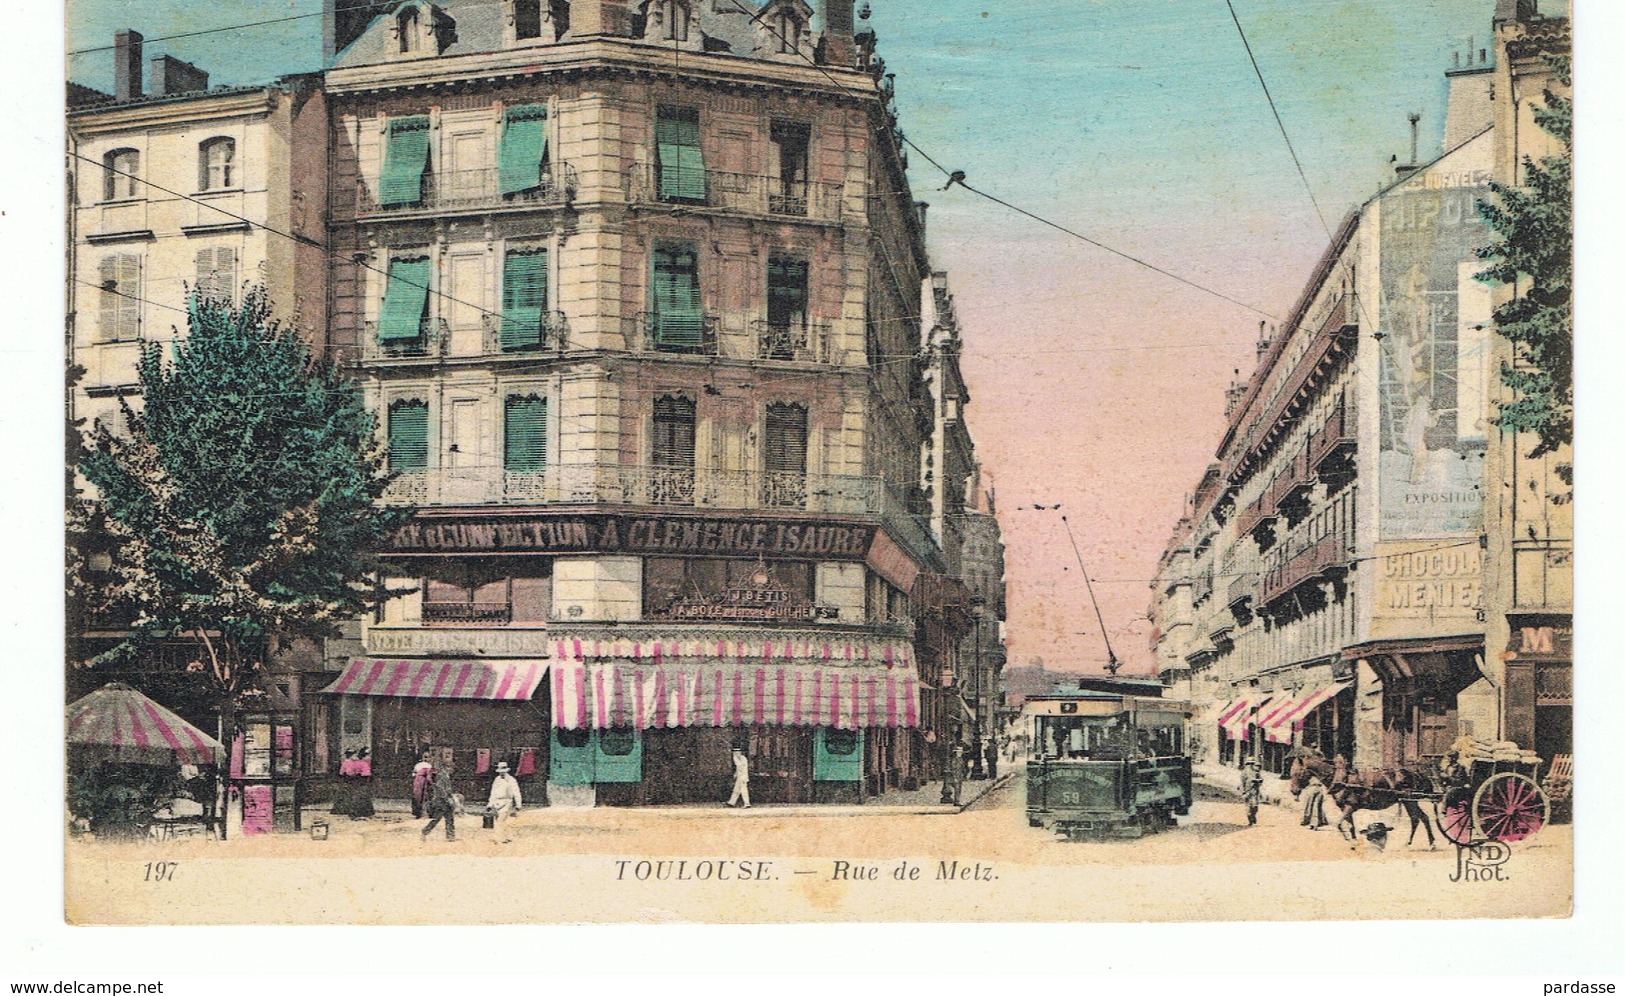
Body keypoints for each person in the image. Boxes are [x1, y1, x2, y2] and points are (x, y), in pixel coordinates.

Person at [486, 760, 523, 843]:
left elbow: (516, 792)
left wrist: (518, 804)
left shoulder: (511, 780)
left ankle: (498, 838)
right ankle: (508, 836)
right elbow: (493, 792)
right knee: (499, 820)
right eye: (500, 772)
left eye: (503, 772)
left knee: (501, 820)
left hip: (507, 802)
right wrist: (490, 804)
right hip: (497, 802)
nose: (502, 773)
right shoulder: (497, 779)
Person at [421, 766, 458, 841]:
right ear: (447, 768)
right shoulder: (442, 776)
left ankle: (450, 836)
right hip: (441, 801)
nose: (452, 770)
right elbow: (440, 788)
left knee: (449, 818)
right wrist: (446, 798)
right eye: (451, 768)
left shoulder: (445, 775)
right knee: (437, 819)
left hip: (445, 800)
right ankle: (425, 831)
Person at [351, 748, 375, 818]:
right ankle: (364, 812)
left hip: (356, 781)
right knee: (363, 797)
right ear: (364, 756)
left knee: (357, 796)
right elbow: (366, 774)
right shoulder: (364, 764)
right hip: (363, 781)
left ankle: (355, 812)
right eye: (368, 756)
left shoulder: (356, 762)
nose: (369, 758)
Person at [411, 749, 434, 819]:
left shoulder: (418, 765)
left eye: (427, 757)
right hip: (423, 782)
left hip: (416, 781)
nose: (426, 759)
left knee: (417, 796)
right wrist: (432, 784)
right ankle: (430, 813)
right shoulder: (429, 766)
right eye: (425, 757)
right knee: (426, 797)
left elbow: (413, 774)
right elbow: (428, 778)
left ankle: (417, 812)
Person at [1240, 759, 1264, 826]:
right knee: (1248, 807)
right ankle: (1250, 820)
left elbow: (1261, 780)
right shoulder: (1244, 772)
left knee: (1255, 806)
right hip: (1247, 791)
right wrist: (1243, 791)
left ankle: (1253, 816)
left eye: (1252, 763)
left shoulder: (1256, 772)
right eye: (1248, 763)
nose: (1250, 765)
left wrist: (1258, 781)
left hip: (1255, 791)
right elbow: (1242, 782)